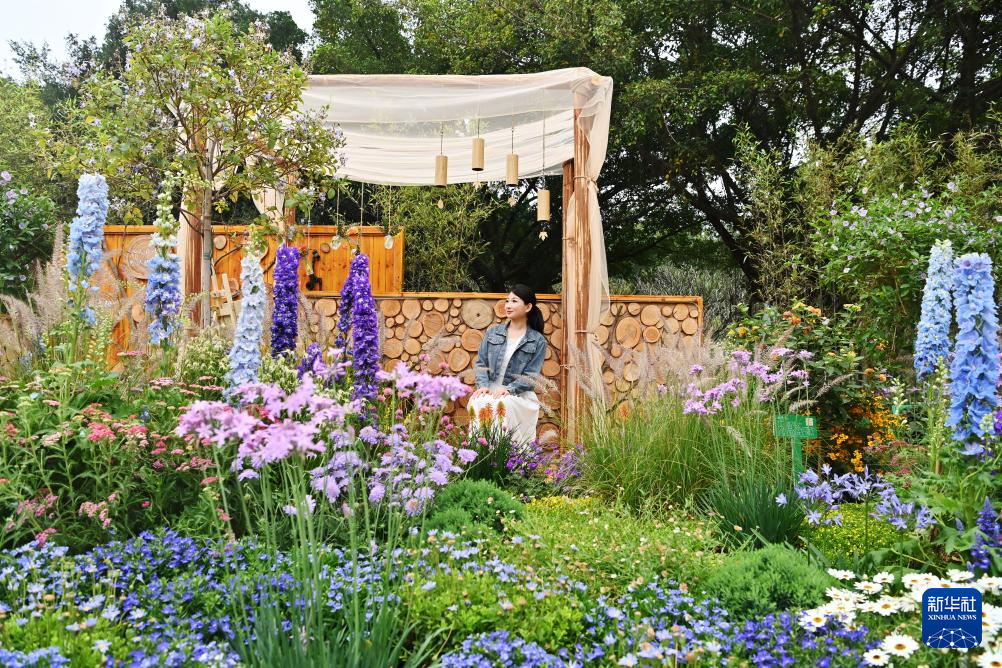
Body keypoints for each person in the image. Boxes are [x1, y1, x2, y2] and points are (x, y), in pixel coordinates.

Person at [467, 284, 547, 444]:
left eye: (514, 301)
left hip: (518, 395)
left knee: (502, 404)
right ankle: (479, 454)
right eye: (507, 301)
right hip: (490, 390)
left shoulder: (538, 341)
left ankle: (504, 457)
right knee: (478, 401)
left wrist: (509, 389)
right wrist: (482, 386)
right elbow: (481, 364)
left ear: (528, 307)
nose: (508, 305)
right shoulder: (493, 332)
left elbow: (531, 376)